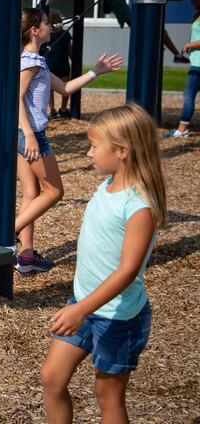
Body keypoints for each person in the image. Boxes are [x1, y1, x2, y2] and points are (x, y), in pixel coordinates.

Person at [40, 103, 166, 423]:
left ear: (122, 151)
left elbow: (127, 271)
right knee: (52, 378)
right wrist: (81, 306)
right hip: (84, 305)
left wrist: (80, 310)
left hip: (118, 317)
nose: (88, 153)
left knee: (108, 397)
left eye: (95, 146)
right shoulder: (106, 186)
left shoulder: (138, 205)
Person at [15, 8, 123, 273]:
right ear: (35, 31)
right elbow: (15, 97)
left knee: (32, 193)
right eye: (46, 23)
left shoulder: (35, 60)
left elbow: (65, 89)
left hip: (20, 134)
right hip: (31, 135)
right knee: (55, 191)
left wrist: (95, 72)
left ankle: (26, 256)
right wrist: (30, 135)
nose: (51, 26)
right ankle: (8, 232)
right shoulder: (31, 62)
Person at [105, 0, 190, 64]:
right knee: (157, 33)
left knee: (161, 32)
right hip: (131, 20)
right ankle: (165, 49)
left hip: (135, 18)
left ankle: (175, 54)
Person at [165, 0, 200, 138]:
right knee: (189, 95)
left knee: (188, 96)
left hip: (198, 65)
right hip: (196, 63)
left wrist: (188, 46)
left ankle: (182, 129)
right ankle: (182, 129)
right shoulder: (198, 12)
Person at [43, 9, 72, 118]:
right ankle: (52, 109)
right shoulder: (46, 35)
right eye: (52, 18)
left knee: (66, 87)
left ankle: (63, 108)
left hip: (62, 65)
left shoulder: (65, 34)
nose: (54, 20)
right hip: (49, 65)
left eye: (56, 18)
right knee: (49, 89)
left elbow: (70, 49)